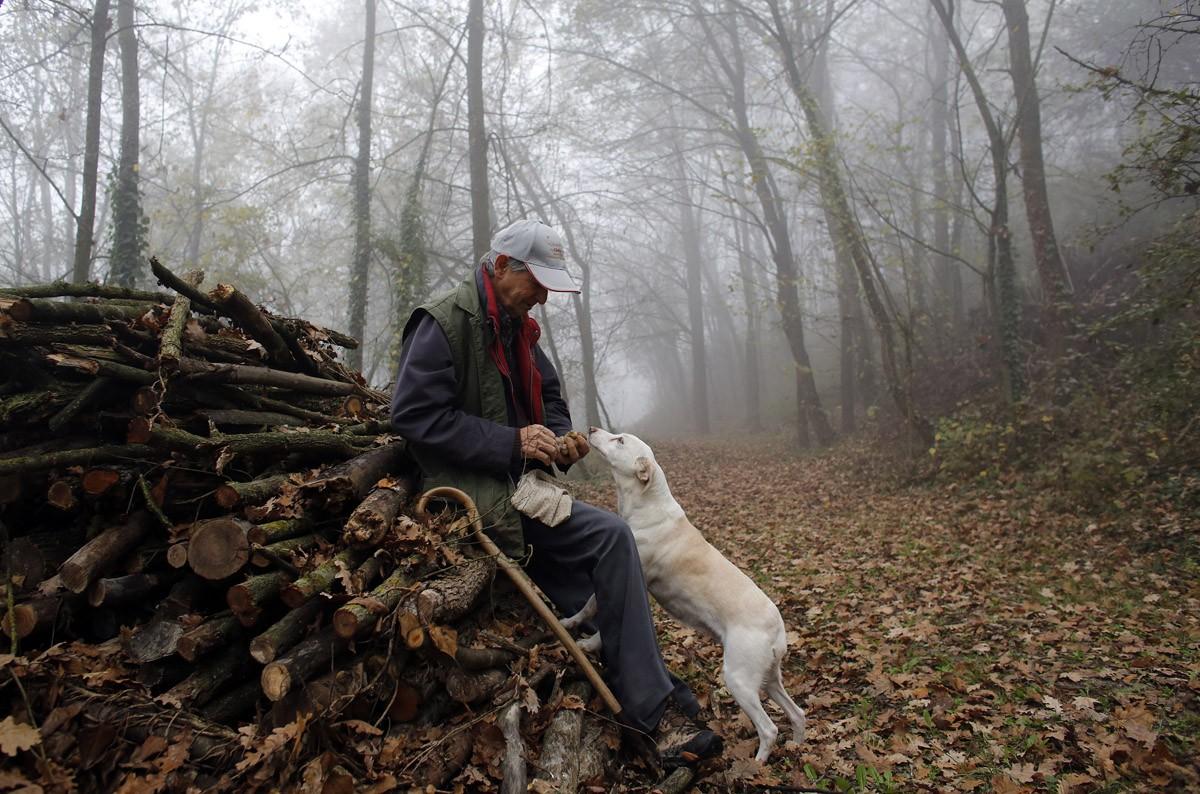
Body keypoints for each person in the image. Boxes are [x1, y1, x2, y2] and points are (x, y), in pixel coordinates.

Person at [390, 218, 722, 769]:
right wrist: (511, 441)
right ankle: (659, 709)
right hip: (470, 499)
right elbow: (414, 416)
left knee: (613, 540)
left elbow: (548, 393)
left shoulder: (516, 324)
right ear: (501, 267)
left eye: (549, 286)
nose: (543, 298)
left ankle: (657, 703)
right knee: (582, 584)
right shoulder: (443, 323)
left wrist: (563, 438)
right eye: (537, 283)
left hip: (525, 489)